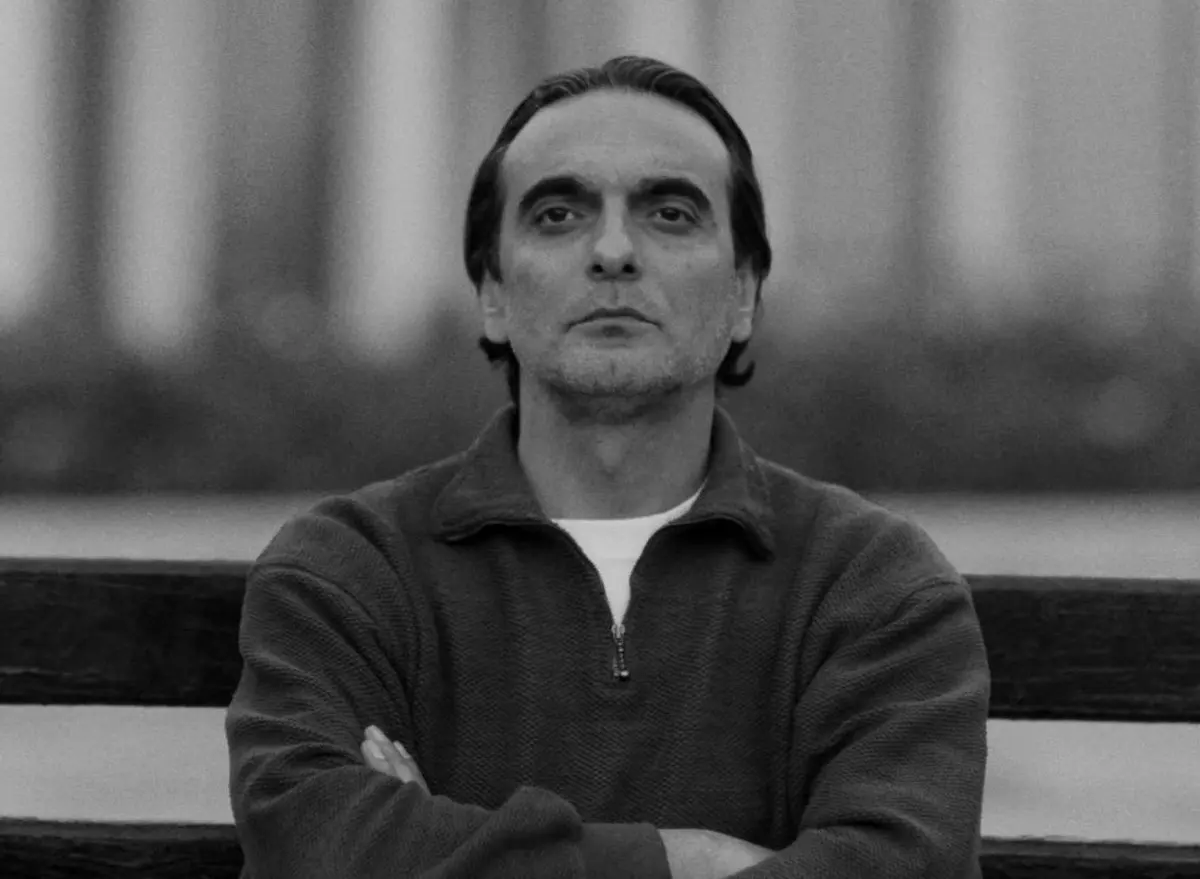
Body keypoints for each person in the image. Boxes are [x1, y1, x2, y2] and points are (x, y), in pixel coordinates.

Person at [225, 55, 990, 879]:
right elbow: (316, 844)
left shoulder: (871, 585)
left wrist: (456, 852)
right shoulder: (348, 572)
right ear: (492, 291)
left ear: (743, 294)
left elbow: (902, 866)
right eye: (558, 214)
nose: (614, 251)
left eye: (670, 214)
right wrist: (684, 859)